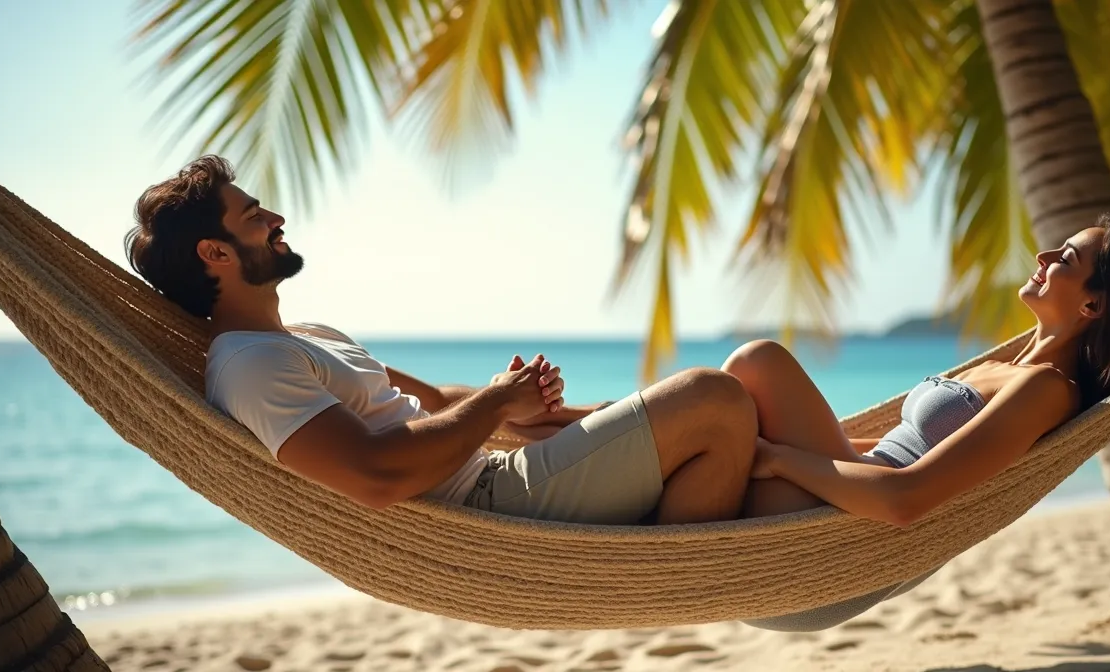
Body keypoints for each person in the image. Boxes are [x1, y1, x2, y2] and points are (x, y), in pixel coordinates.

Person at [124, 155, 759, 526]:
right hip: (491, 503)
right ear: (215, 252)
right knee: (715, 397)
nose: (277, 219)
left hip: (502, 469)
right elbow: (374, 476)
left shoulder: (304, 336)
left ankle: (828, 474)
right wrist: (495, 406)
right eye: (254, 216)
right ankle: (724, 550)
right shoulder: (249, 367)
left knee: (750, 381)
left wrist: (520, 400)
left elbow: (432, 400)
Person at [715, 213, 1110, 631]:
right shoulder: (1008, 369)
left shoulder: (1047, 388)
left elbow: (907, 498)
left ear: (1093, 306)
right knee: (732, 402)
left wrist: (777, 458)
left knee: (757, 364)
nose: (1042, 256)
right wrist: (780, 442)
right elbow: (908, 445)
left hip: (834, 545)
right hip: (838, 498)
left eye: (1064, 257)